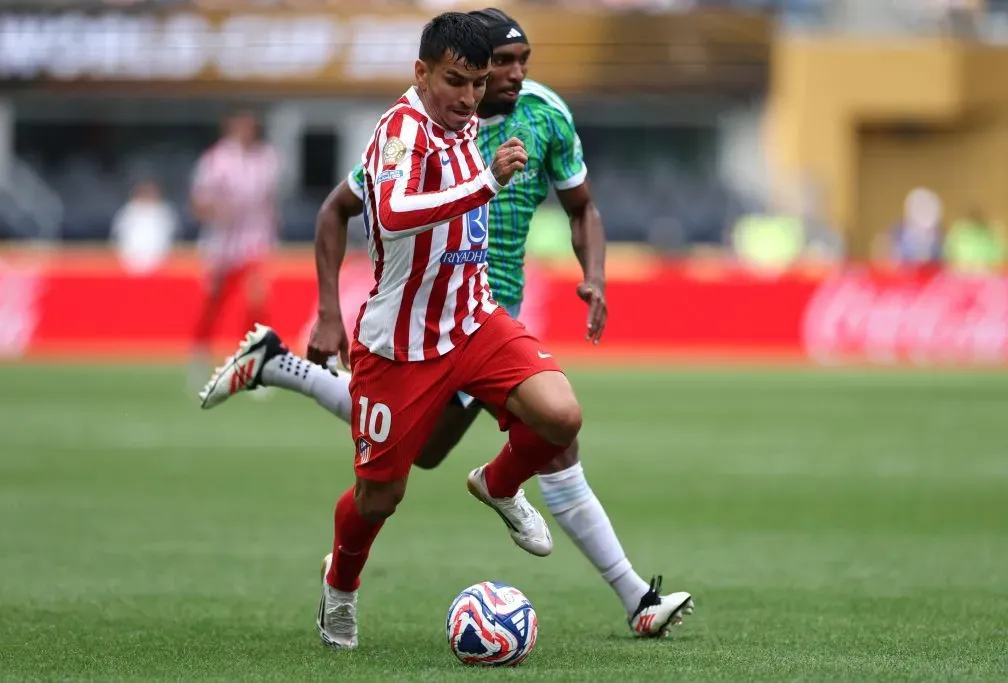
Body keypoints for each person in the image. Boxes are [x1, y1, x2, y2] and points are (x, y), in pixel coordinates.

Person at [199, 9, 693, 641]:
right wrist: (488, 181)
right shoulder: (401, 130)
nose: (472, 95)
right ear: (422, 74)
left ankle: (508, 490)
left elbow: (578, 203)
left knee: (561, 417)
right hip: (401, 343)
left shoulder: (497, 117)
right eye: (460, 81)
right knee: (383, 494)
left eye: (480, 81)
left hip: (476, 320)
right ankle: (340, 585)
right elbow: (397, 212)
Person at [188, 110, 280, 389]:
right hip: (221, 246)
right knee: (212, 305)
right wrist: (218, 210)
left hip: (254, 243)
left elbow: (269, 203)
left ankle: (255, 366)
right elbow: (199, 203)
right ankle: (199, 358)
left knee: (256, 303)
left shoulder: (267, 159)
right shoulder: (216, 160)